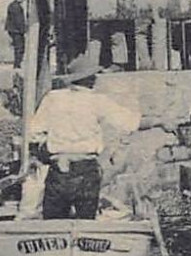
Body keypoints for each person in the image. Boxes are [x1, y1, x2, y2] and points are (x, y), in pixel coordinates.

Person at [26, 67, 140, 220]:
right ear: (90, 81)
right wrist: (161, 122)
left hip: (59, 170)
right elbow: (130, 122)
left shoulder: (52, 98)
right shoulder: (97, 100)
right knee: (86, 223)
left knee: (53, 224)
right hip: (85, 169)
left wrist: (44, 152)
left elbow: (34, 133)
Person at [5, 0, 28, 69]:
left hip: (13, 30)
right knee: (20, 47)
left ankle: (17, 63)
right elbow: (18, 20)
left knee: (18, 47)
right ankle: (17, 64)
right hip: (17, 31)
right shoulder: (16, 7)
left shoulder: (12, 5)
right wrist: (23, 31)